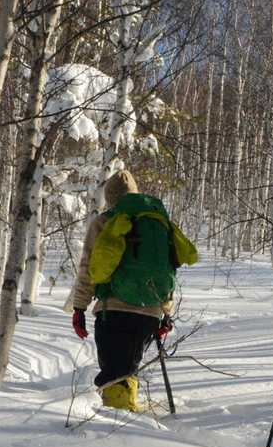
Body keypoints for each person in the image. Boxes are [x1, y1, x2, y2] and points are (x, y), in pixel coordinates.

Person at [68, 170, 198, 411]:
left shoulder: (105, 221)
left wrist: (79, 308)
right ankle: (126, 413)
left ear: (110, 198)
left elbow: (88, 268)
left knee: (114, 374)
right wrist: (165, 312)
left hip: (113, 309)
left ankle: (118, 423)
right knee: (128, 368)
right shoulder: (157, 223)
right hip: (150, 312)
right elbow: (166, 270)